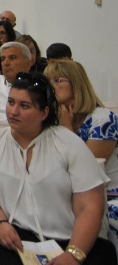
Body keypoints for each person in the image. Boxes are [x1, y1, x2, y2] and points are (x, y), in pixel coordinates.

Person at [0, 72, 116, 265]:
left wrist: (73, 254)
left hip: (73, 238)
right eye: (10, 102)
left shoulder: (69, 144)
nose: (13, 111)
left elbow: (90, 207)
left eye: (24, 106)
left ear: (44, 113)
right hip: (19, 237)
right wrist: (0, 223)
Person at [45, 60, 118, 237]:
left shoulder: (103, 120)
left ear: (76, 83)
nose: (51, 86)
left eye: (57, 80)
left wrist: (67, 129)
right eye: (48, 81)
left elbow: (86, 171)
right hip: (68, 195)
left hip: (106, 196)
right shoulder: (52, 120)